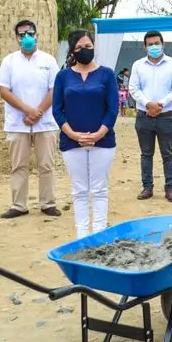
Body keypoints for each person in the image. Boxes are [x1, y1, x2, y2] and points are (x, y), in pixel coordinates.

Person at [52, 30, 119, 238]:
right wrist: (73, 135)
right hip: (72, 142)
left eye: (88, 46)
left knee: (99, 189)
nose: (84, 50)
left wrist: (99, 134)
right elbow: (57, 109)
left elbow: (113, 108)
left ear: (94, 46)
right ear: (73, 50)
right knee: (79, 190)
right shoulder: (63, 76)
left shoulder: (107, 74)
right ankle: (82, 236)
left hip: (103, 141)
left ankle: (98, 235)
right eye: (80, 47)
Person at [0, 19, 62, 219]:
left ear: (37, 35)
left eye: (30, 33)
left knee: (46, 165)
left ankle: (48, 203)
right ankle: (18, 205)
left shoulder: (48, 61)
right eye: (22, 35)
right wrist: (27, 111)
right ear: (16, 38)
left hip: (45, 122)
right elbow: (4, 90)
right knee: (18, 166)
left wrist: (38, 112)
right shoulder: (9, 61)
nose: (27, 38)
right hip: (17, 123)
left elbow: (55, 89)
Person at [128, 30, 172, 202]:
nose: (154, 47)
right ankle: (147, 187)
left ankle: (170, 189)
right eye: (150, 44)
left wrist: (160, 104)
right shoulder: (138, 65)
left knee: (168, 154)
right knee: (146, 154)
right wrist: (148, 104)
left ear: (163, 44)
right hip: (144, 116)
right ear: (145, 47)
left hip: (166, 116)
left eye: (156, 43)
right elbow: (133, 88)